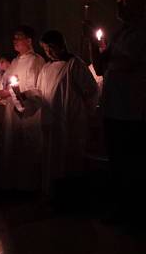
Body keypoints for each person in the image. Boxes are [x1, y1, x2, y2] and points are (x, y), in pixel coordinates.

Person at [88, 0, 146, 221]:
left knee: (134, 166)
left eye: (124, 2)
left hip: (132, 110)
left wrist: (109, 55)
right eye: (118, 1)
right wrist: (92, 43)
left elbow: (125, 62)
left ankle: (137, 213)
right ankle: (120, 209)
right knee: (117, 163)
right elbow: (100, 66)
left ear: (138, 5)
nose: (118, 6)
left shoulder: (144, 32)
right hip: (114, 107)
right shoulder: (119, 34)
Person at [29, 30, 98, 193]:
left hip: (70, 121)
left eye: (51, 48)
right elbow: (41, 92)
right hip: (51, 123)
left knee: (69, 160)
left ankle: (69, 196)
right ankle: (52, 194)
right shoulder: (46, 67)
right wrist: (26, 95)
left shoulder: (74, 64)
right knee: (52, 160)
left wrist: (84, 114)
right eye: (45, 49)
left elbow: (91, 90)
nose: (49, 52)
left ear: (61, 45)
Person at [0, 26, 45, 191]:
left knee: (27, 146)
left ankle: (29, 185)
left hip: (29, 111)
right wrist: (1, 89)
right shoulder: (15, 61)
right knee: (13, 145)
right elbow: (8, 82)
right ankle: (13, 184)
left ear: (29, 40)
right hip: (12, 110)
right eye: (14, 37)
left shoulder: (36, 60)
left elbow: (33, 87)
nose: (15, 41)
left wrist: (9, 93)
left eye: (19, 37)